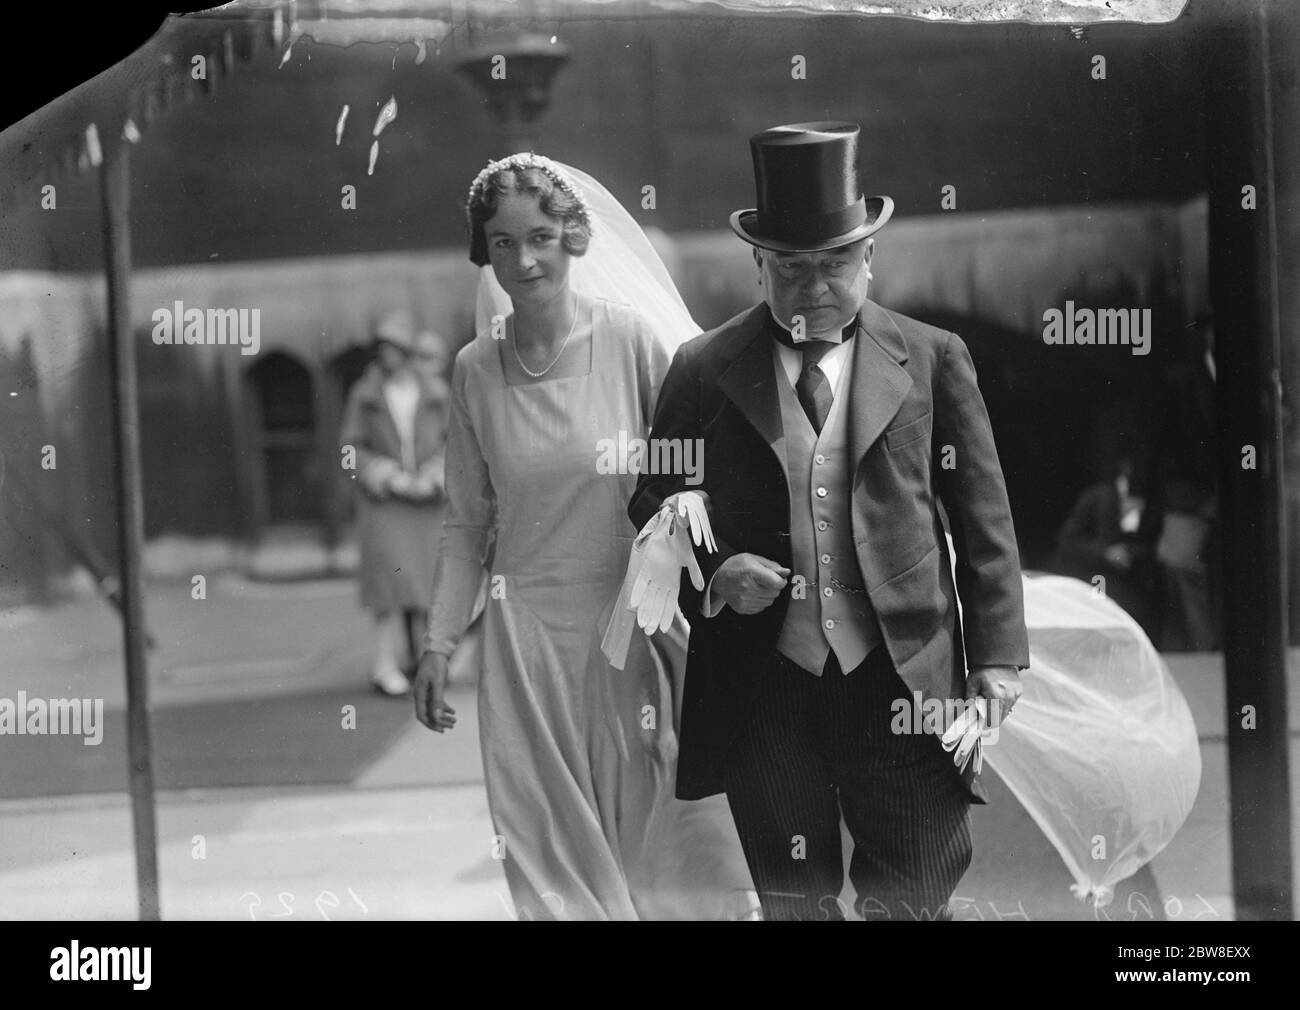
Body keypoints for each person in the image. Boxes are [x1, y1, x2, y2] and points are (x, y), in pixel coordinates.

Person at [628, 122, 1030, 921]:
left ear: (869, 259)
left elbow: (983, 516)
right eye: (792, 266)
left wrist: (999, 657)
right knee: (794, 900)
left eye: (836, 262)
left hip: (905, 671)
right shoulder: (704, 368)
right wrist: (716, 572)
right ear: (759, 267)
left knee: (916, 889)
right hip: (765, 682)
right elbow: (651, 498)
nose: (815, 283)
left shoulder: (932, 356)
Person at [412, 153, 756, 920]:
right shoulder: (473, 371)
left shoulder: (635, 343)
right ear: (484, 253)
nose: (524, 259)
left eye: (540, 236)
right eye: (502, 243)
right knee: (550, 869)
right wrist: (438, 643)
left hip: (633, 638)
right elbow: (468, 523)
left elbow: (697, 477)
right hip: (526, 652)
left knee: (662, 860)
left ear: (573, 238)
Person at [340, 316, 450, 696]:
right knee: (387, 589)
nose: (388, 356)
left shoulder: (435, 392)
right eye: (382, 348)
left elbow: (455, 441)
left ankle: (423, 664)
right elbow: (350, 452)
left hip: (425, 501)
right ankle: (383, 665)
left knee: (425, 587)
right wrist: (387, 475)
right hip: (385, 502)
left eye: (395, 349)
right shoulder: (364, 394)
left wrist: (433, 475)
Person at [1141, 312, 1219, 651]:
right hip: (1189, 494)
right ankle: (1201, 652)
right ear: (1207, 335)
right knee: (1180, 565)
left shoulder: (1255, 374)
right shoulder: (1181, 381)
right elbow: (1161, 444)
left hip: (1242, 493)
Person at [1052, 457, 1157, 634]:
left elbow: (1151, 542)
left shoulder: (1150, 500)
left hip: (1132, 587)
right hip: (1098, 580)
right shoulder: (1097, 497)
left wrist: (1132, 552)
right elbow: (1068, 539)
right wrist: (1105, 553)